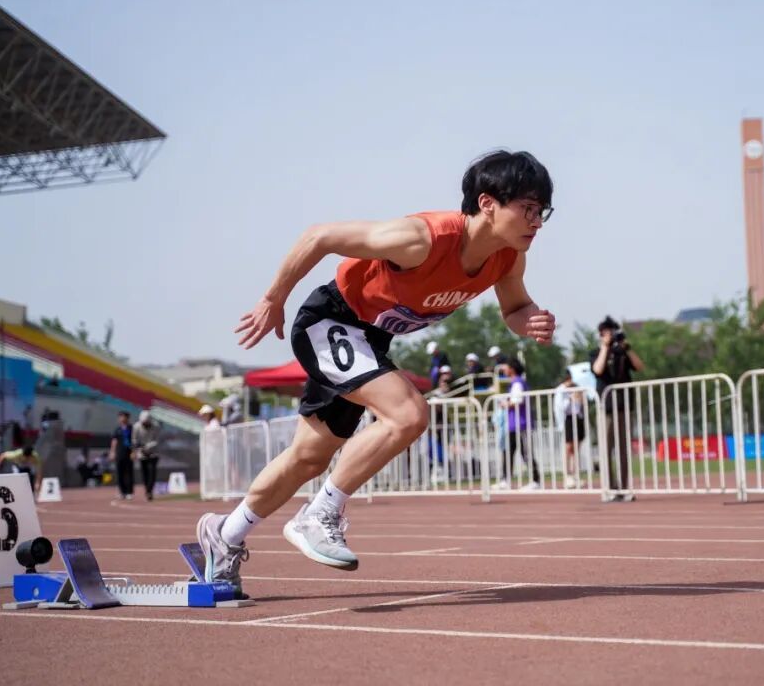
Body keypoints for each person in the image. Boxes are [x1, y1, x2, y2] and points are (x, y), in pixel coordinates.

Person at [195, 150, 556, 591]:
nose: (537, 222)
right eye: (528, 208)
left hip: (369, 341)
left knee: (308, 457)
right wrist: (273, 298)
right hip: (331, 321)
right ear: (487, 204)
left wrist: (530, 321)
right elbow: (319, 236)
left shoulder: (508, 258)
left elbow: (515, 307)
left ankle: (224, 534)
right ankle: (320, 514)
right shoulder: (421, 239)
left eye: (542, 211)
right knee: (409, 415)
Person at [591, 315, 644, 502]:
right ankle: (609, 487)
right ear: (600, 334)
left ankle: (624, 487)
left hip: (624, 405)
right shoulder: (595, 352)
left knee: (623, 449)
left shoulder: (622, 352)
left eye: (613, 331)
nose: (611, 335)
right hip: (606, 407)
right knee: (606, 448)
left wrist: (627, 348)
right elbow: (598, 369)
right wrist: (605, 347)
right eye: (607, 332)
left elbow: (639, 366)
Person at [501, 358, 540, 489]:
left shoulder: (518, 383)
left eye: (506, 367)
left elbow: (517, 401)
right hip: (514, 424)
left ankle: (535, 480)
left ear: (512, 369)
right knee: (508, 451)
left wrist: (505, 404)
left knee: (526, 452)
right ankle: (505, 480)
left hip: (522, 424)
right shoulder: (514, 383)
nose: (504, 369)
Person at [555, 370, 586, 488]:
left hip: (578, 418)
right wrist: (570, 398)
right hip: (568, 419)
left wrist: (580, 397)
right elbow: (561, 407)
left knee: (576, 448)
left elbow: (582, 405)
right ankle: (567, 475)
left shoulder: (577, 387)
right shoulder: (561, 390)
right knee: (568, 447)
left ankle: (575, 475)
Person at [132, 410, 163, 501]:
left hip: (153, 452)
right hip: (142, 453)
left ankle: (150, 491)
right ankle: (147, 489)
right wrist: (138, 448)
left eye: (146, 423)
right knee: (144, 473)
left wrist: (147, 447)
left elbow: (157, 440)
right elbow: (134, 439)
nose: (145, 425)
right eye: (143, 423)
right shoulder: (136, 427)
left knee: (152, 472)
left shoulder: (156, 426)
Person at [109, 411, 135, 500]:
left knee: (129, 473)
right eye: (120, 417)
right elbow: (114, 441)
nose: (122, 419)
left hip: (129, 452)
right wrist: (112, 452)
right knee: (120, 473)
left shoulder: (132, 428)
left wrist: (134, 451)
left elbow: (134, 440)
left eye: (123, 417)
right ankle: (122, 491)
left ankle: (129, 492)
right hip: (120, 453)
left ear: (127, 418)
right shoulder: (117, 429)